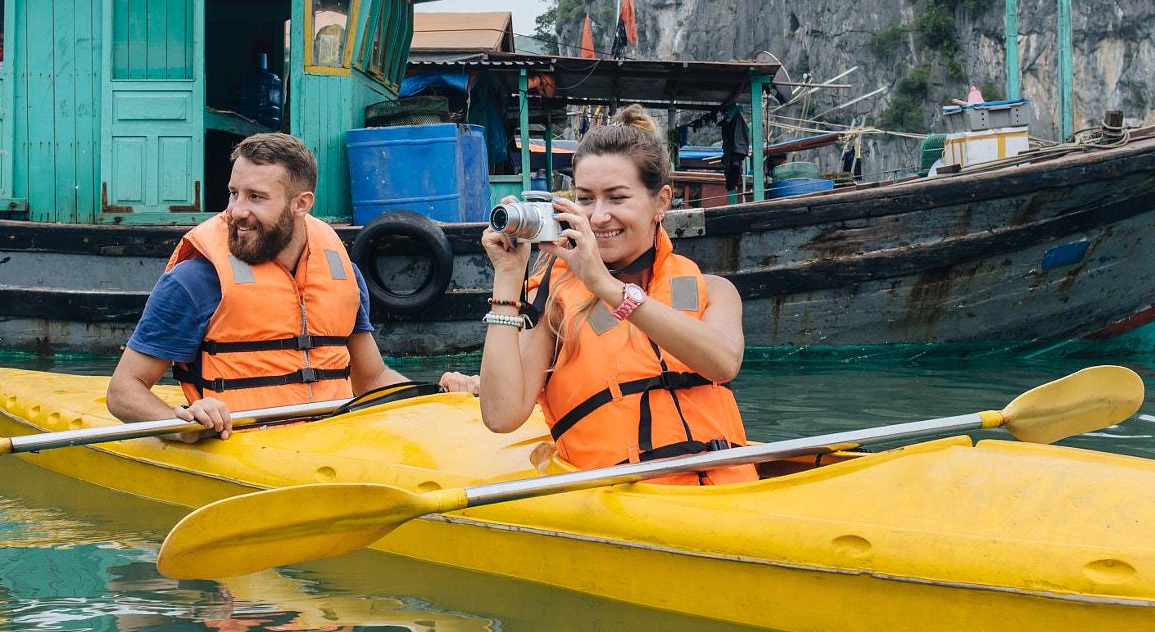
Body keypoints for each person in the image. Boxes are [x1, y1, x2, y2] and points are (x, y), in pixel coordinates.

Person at [473, 105, 756, 485]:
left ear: (661, 202)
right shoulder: (553, 302)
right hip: (625, 504)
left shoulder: (714, 290)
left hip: (732, 499)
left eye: (617, 198)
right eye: (586, 199)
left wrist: (605, 286)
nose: (598, 217)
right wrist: (508, 277)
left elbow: (722, 364)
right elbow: (501, 416)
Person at [107, 131, 411, 440]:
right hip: (243, 449)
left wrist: (442, 397)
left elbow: (372, 378)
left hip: (336, 444)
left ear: (301, 204)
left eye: (256, 196)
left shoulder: (344, 275)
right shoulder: (195, 280)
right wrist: (184, 427)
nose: (237, 210)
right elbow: (123, 391)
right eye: (233, 193)